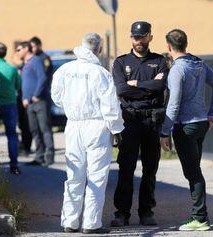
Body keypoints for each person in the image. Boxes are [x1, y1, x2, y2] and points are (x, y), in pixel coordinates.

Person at [52, 33, 124, 234]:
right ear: (99, 49)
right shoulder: (100, 73)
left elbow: (56, 97)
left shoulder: (65, 70)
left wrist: (71, 107)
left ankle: (69, 221)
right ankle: (91, 224)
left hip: (73, 125)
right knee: (97, 175)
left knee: (74, 174)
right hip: (97, 126)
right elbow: (110, 106)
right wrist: (116, 129)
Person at [160, 29, 213, 231]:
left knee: (193, 173)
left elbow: (174, 103)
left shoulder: (177, 70)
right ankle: (199, 215)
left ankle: (200, 218)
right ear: (186, 44)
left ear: (168, 46)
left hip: (185, 126)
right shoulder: (199, 63)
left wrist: (164, 131)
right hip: (200, 123)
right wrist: (211, 113)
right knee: (194, 170)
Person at [111, 21, 169, 227]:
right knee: (126, 168)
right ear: (131, 38)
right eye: (136, 37)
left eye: (143, 37)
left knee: (150, 168)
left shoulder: (159, 61)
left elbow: (161, 85)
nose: (139, 41)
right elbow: (121, 90)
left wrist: (137, 85)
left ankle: (146, 212)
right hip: (130, 120)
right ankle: (122, 213)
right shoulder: (120, 62)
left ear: (150, 37)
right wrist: (148, 88)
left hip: (151, 120)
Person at [17, 41, 55, 167]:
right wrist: (24, 98)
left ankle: (49, 156)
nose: (17, 52)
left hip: (39, 101)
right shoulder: (25, 64)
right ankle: (39, 157)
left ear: (26, 49)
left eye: (19, 49)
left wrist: (35, 95)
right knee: (34, 130)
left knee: (45, 129)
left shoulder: (36, 60)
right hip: (29, 104)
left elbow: (42, 78)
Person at [0, 42, 21, 175]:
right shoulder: (12, 69)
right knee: (12, 135)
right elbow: (18, 86)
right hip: (10, 104)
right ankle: (14, 165)